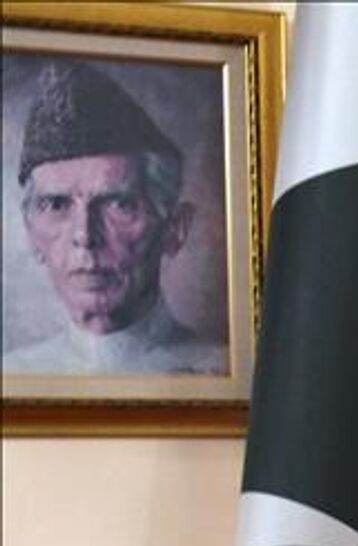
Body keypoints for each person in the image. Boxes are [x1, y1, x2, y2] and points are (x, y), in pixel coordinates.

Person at [4, 60, 225, 376]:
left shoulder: (229, 374)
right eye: (56, 205)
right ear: (30, 233)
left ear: (175, 229)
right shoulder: (14, 374)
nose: (85, 236)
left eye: (119, 204)